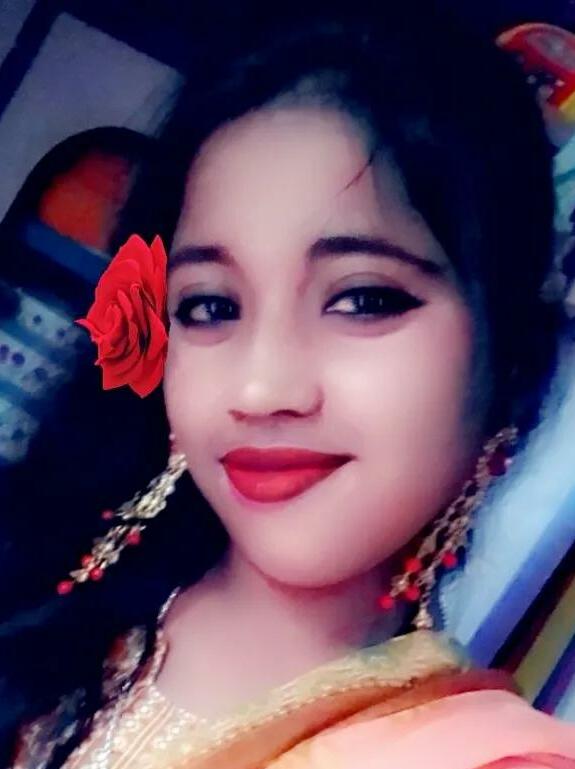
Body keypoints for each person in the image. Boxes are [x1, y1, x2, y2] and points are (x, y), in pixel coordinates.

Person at [1, 1, 575, 767]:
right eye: (210, 306)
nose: (259, 386)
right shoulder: (33, 589)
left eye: (363, 299)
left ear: (503, 357)